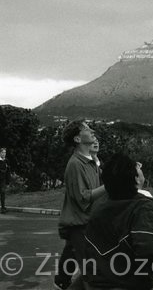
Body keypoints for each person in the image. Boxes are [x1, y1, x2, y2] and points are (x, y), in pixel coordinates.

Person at [83, 151, 153, 289]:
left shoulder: (100, 204)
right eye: (137, 168)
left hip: (96, 279)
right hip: (126, 283)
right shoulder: (141, 207)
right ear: (136, 179)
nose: (140, 168)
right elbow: (149, 246)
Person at [54, 120, 106, 290]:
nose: (91, 130)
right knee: (92, 274)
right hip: (80, 226)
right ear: (77, 139)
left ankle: (61, 280)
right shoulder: (75, 164)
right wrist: (110, 185)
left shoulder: (90, 162)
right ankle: (62, 280)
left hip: (88, 223)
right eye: (86, 129)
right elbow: (82, 197)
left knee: (91, 271)